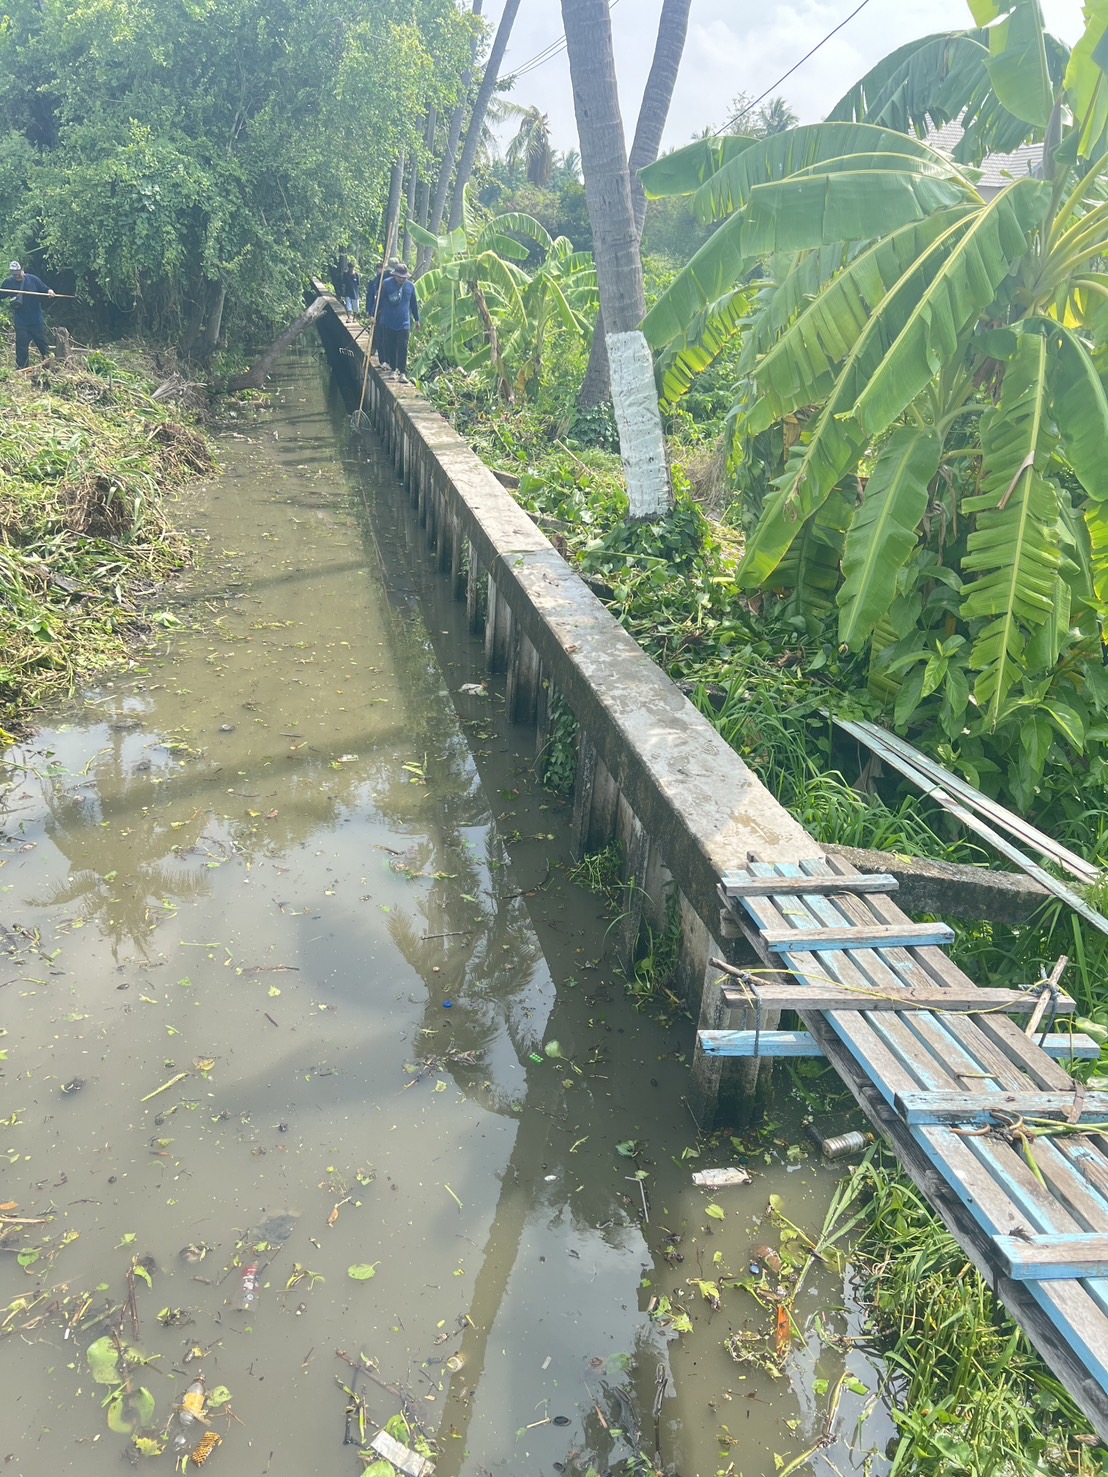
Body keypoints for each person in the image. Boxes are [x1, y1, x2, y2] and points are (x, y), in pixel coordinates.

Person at [1, 260, 55, 369]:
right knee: (21, 347)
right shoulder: (8, 283)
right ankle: (22, 369)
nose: (17, 276)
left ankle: (49, 365)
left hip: (36, 320)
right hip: (21, 321)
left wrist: (50, 291)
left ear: (23, 269)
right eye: (14, 274)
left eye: (18, 273)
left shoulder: (33, 280)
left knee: (42, 343)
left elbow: (45, 289)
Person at [374, 263, 419, 383]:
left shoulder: (410, 287)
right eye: (399, 277)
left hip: (404, 323)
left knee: (403, 347)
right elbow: (378, 301)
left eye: (403, 277)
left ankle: (402, 373)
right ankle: (393, 370)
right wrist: (373, 315)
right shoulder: (386, 284)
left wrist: (417, 319)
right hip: (388, 322)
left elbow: (414, 304)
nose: (401, 279)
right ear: (394, 275)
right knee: (391, 346)